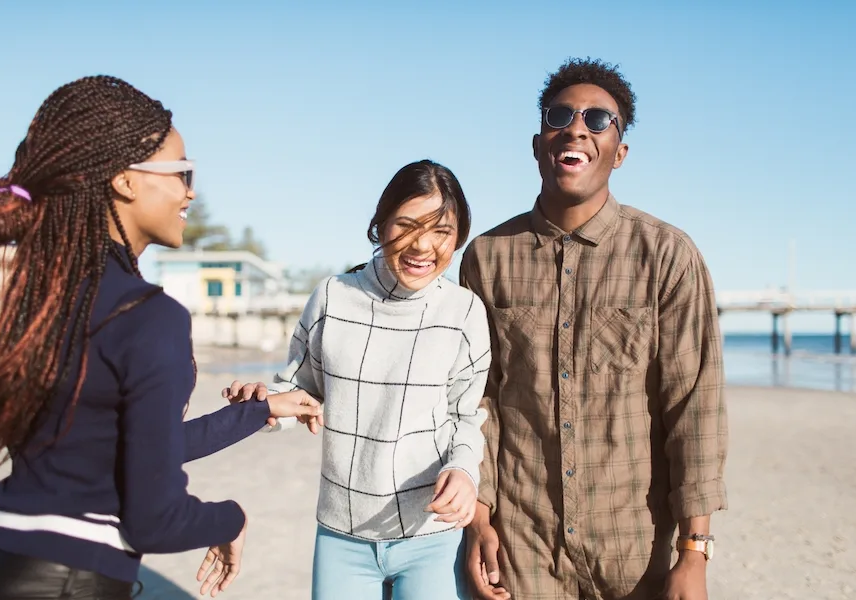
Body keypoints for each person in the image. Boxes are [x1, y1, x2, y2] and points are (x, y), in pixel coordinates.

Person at [0, 75, 322, 600]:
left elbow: (123, 450)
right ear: (126, 181)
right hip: (69, 582)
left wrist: (260, 410)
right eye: (182, 172)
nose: (191, 191)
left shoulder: (46, 297)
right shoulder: (150, 315)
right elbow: (154, 521)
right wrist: (231, 518)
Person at [459, 58, 728, 600]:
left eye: (598, 120)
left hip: (634, 549)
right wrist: (478, 521)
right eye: (560, 116)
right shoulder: (486, 259)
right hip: (521, 547)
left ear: (619, 153)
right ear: (539, 144)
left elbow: (694, 408)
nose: (577, 127)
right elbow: (475, 401)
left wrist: (694, 551)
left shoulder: (667, 256)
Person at [226, 159, 491, 600]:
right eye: (406, 226)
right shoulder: (333, 296)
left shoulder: (464, 312)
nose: (423, 246)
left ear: (459, 236)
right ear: (379, 225)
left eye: (441, 232)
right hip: (341, 532)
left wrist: (464, 471)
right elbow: (299, 391)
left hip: (432, 532)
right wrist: (261, 402)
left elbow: (466, 417)